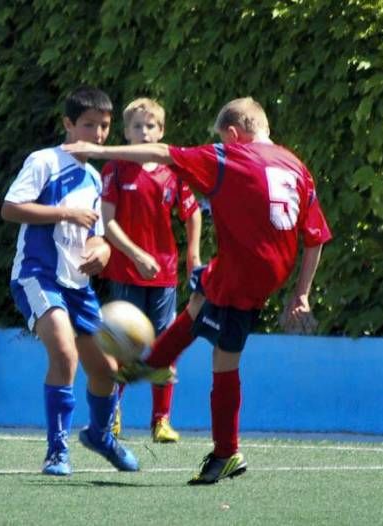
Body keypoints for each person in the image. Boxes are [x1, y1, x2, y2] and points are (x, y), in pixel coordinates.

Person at [62, 97, 332, 484]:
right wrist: (301, 293)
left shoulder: (231, 156)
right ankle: (151, 364)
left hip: (245, 276)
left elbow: (162, 152)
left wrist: (99, 151)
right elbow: (316, 237)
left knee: (224, 362)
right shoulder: (297, 167)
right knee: (200, 298)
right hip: (259, 269)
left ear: (234, 134)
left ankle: (226, 452)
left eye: (223, 138)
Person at [1, 85, 140, 476]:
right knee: (65, 354)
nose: (97, 135)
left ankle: (99, 436)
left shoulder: (95, 178)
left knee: (106, 369)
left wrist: (104, 250)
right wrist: (63, 213)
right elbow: (11, 208)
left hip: (77, 285)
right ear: (68, 124)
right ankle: (57, 452)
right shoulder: (44, 161)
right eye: (89, 125)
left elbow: (95, 232)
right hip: (38, 275)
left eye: (105, 126)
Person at [100, 98, 202, 443]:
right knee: (121, 345)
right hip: (126, 272)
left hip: (165, 274)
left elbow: (193, 213)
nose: (145, 133)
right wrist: (135, 254)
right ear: (126, 133)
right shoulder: (114, 168)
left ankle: (161, 421)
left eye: (152, 127)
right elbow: (108, 222)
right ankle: (111, 415)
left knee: (165, 346)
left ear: (162, 131)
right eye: (138, 127)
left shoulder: (173, 170)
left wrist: (193, 253)